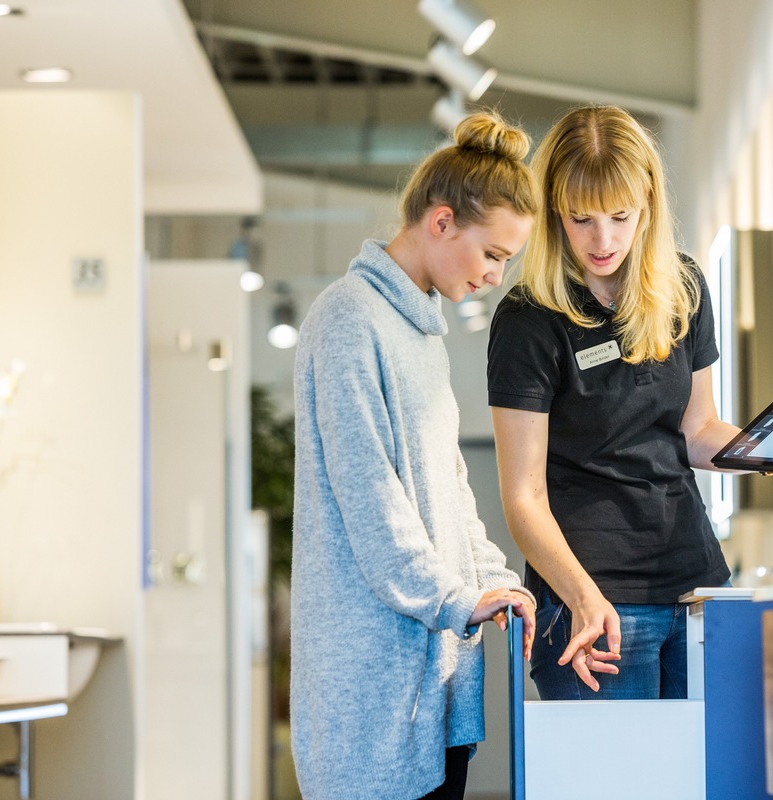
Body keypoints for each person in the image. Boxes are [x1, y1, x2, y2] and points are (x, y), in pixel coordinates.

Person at [487, 105, 773, 702]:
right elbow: (522, 496)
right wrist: (582, 599)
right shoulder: (528, 320)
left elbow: (697, 429)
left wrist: (761, 450)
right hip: (593, 598)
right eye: (581, 219)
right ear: (555, 210)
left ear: (649, 203)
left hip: (693, 583)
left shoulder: (681, 287)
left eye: (619, 216)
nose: (602, 239)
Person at [290, 110, 538, 800]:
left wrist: (492, 577)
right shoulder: (347, 320)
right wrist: (458, 598)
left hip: (437, 669)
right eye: (492, 254)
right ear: (441, 222)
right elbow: (373, 501)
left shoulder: (423, 336)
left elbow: (450, 489)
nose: (495, 276)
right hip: (369, 685)